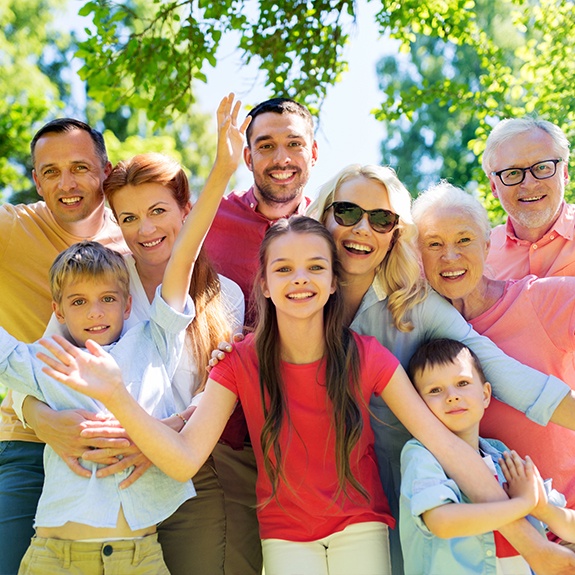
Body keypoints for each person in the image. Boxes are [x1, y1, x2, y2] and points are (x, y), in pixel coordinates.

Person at [34, 216, 545, 575]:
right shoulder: (239, 363)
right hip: (282, 536)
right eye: (284, 269)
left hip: (360, 528)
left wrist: (533, 542)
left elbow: (448, 446)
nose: (299, 279)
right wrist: (118, 395)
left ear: (330, 282)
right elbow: (185, 458)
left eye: (314, 268)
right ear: (266, 283)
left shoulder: (366, 356)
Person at [0, 96, 247, 574]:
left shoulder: (219, 296)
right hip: (100, 478)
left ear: (186, 211)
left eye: (158, 211)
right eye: (129, 218)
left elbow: (212, 396)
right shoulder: (103, 284)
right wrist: (43, 419)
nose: (145, 229)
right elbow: (43, 369)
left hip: (184, 465)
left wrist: (151, 435)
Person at [307, 163, 575, 574]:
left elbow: (498, 370)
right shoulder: (299, 296)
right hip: (326, 490)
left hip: (418, 478)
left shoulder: (413, 302)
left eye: (381, 219)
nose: (363, 228)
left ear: (395, 234)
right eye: (346, 212)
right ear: (324, 214)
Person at [412, 181, 575, 544]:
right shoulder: (415, 334)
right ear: (416, 254)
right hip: (484, 545)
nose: (450, 257)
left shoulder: (540, 299)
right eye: (434, 244)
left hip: (565, 524)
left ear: (488, 245)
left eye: (465, 240)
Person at [0, 117, 126, 574]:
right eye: (50, 171)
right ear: (35, 179)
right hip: (30, 440)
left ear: (106, 172)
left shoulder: (132, 240)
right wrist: (35, 411)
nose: (66, 184)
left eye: (79, 167)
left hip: (120, 445)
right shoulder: (13, 231)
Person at [203, 96, 318, 574]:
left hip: (313, 445)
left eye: (294, 144)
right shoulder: (209, 221)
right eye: (266, 145)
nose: (282, 158)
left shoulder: (333, 227)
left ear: (313, 153)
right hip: (229, 443)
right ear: (247, 156)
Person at [400, 338, 549, 575]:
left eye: (462, 383)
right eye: (435, 390)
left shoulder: (501, 454)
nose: (451, 396)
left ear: (486, 394)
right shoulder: (421, 455)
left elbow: (556, 515)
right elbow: (442, 521)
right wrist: (521, 504)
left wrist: (540, 506)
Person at [482, 117, 575, 279]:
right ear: (494, 186)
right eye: (513, 173)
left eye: (542, 167)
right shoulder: (479, 257)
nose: (530, 184)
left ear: (565, 173)